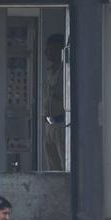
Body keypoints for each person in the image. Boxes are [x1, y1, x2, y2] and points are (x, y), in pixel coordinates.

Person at [43, 34, 66, 171]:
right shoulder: (50, 71)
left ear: (59, 49)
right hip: (49, 125)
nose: (46, 52)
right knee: (52, 167)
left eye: (49, 49)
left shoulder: (66, 70)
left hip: (61, 123)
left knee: (64, 164)